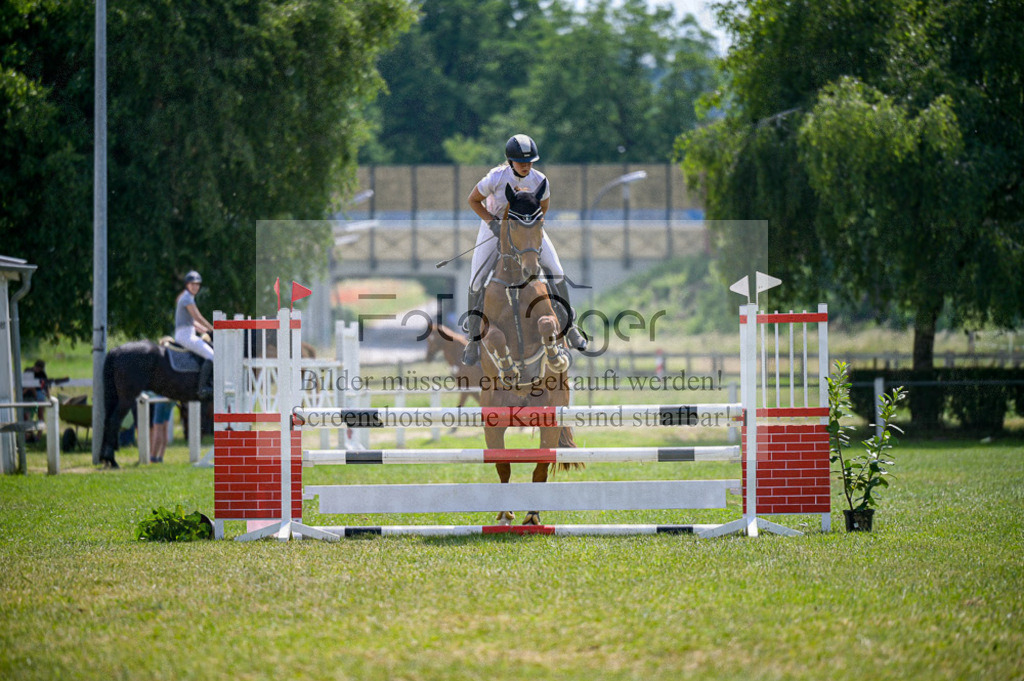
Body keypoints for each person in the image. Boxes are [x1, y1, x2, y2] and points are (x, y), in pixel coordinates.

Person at [462, 134, 587, 365]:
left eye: (530, 162)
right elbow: (473, 200)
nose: (526, 166)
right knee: (477, 280)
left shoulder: (540, 180)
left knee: (556, 269)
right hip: (495, 226)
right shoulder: (496, 178)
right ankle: (473, 339)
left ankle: (569, 327)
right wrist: (493, 223)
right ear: (511, 162)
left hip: (526, 229)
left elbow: (544, 207)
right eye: (522, 162)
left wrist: (530, 232)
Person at [175, 271, 215, 400]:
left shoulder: (188, 297)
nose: (195, 287)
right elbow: (197, 317)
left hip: (187, 333)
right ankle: (202, 388)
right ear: (187, 285)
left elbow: (193, 323)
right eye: (193, 284)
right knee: (212, 355)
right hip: (185, 336)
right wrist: (213, 329)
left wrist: (207, 331)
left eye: (197, 284)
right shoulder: (187, 298)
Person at [149, 398, 172, 463]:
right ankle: (160, 456)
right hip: (169, 400)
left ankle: (153, 457)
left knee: (158, 429)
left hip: (160, 399)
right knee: (164, 428)